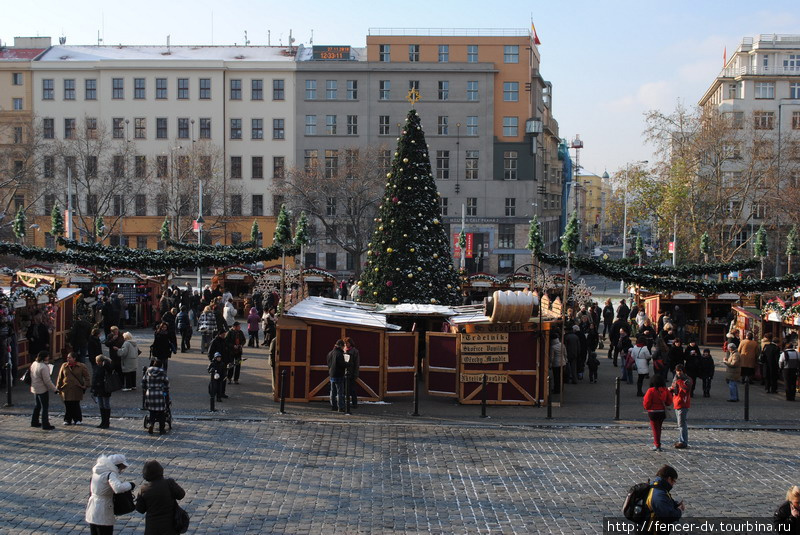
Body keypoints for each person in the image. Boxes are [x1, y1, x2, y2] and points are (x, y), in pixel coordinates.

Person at [86, 454, 136, 535]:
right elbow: (118, 488)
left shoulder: (97, 471)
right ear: (117, 466)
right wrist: (130, 485)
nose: (121, 470)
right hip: (103, 509)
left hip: (92, 507)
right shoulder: (110, 474)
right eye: (121, 467)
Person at [135, 460, 186, 535]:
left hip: (152, 528)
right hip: (171, 525)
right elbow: (181, 495)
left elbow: (140, 509)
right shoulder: (169, 483)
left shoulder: (144, 490)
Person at [56, 351, 91, 425]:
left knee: (75, 404)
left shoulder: (81, 366)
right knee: (67, 404)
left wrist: (85, 385)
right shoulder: (64, 365)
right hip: (66, 388)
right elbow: (60, 377)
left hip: (77, 388)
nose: (68, 359)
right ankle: (67, 419)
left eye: (70, 358)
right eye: (67, 358)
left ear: (74, 358)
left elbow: (87, 377)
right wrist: (58, 388)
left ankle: (77, 419)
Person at [29, 350, 57, 430]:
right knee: (45, 407)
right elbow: (47, 381)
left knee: (37, 406)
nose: (48, 357)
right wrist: (55, 389)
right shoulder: (43, 367)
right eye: (47, 356)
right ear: (44, 357)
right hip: (42, 389)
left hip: (35, 388)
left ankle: (34, 421)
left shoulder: (34, 363)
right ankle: (45, 424)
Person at [643, 375, 671, 451]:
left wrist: (647, 408)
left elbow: (646, 402)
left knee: (655, 429)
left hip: (653, 412)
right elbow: (669, 402)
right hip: (662, 412)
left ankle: (657, 444)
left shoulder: (651, 390)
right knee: (659, 428)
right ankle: (657, 443)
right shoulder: (665, 390)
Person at [142, 359, 170, 434]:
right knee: (161, 411)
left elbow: (143, 381)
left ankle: (151, 424)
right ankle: (161, 429)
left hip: (150, 392)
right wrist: (165, 390)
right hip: (159, 393)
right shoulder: (162, 372)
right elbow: (166, 383)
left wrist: (145, 388)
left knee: (152, 411)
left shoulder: (148, 371)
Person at [670, 363, 692, 449]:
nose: (678, 373)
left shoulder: (687, 379)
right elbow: (674, 387)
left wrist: (679, 381)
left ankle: (683, 442)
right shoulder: (675, 378)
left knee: (682, 424)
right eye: (677, 371)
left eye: (680, 371)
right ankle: (681, 440)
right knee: (680, 424)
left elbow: (686, 389)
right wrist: (671, 389)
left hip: (683, 403)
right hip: (676, 402)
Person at [92, 355, 114, 428]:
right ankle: (103, 421)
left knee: (106, 405)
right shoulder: (97, 367)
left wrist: (106, 364)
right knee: (101, 405)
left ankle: (106, 422)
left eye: (98, 361)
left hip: (105, 388)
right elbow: (94, 378)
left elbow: (110, 371)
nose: (97, 363)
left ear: (101, 361)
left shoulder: (106, 367)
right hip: (99, 389)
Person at [326, 339, 347, 411]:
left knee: (332, 391)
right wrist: (348, 364)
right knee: (340, 392)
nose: (344, 347)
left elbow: (328, 364)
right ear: (341, 346)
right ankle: (341, 407)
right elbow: (342, 364)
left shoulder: (330, 353)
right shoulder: (339, 354)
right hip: (339, 374)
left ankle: (333, 406)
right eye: (343, 346)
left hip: (332, 374)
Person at [344, 337, 361, 408]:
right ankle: (346, 403)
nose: (346, 344)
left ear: (350, 343)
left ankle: (354, 403)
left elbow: (357, 363)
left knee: (353, 389)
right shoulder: (343, 350)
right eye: (345, 343)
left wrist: (355, 373)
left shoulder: (355, 351)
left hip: (352, 372)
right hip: (344, 372)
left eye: (347, 343)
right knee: (344, 389)